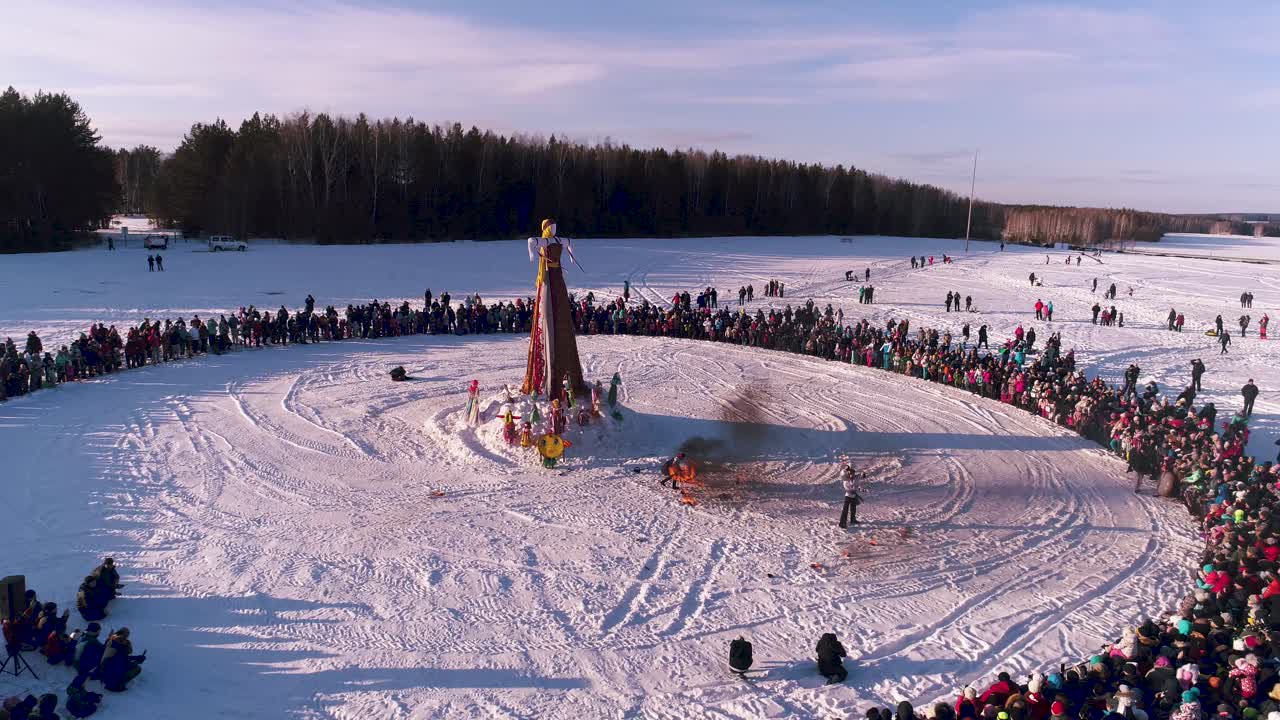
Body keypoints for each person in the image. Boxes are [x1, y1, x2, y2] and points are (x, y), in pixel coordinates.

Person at [98, 627, 146, 692]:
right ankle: (121, 682)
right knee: (137, 668)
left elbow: (123, 658)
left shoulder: (110, 642)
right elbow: (124, 664)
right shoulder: (121, 649)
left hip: (103, 671)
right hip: (113, 684)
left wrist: (135, 657)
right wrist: (137, 661)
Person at [839, 462, 862, 528]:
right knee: (845, 510)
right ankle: (842, 523)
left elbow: (860, 476)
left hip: (854, 495)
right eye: (850, 471)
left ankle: (853, 520)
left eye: (853, 472)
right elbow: (842, 474)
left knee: (853, 508)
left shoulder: (855, 478)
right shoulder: (845, 477)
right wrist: (846, 469)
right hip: (848, 496)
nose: (851, 473)